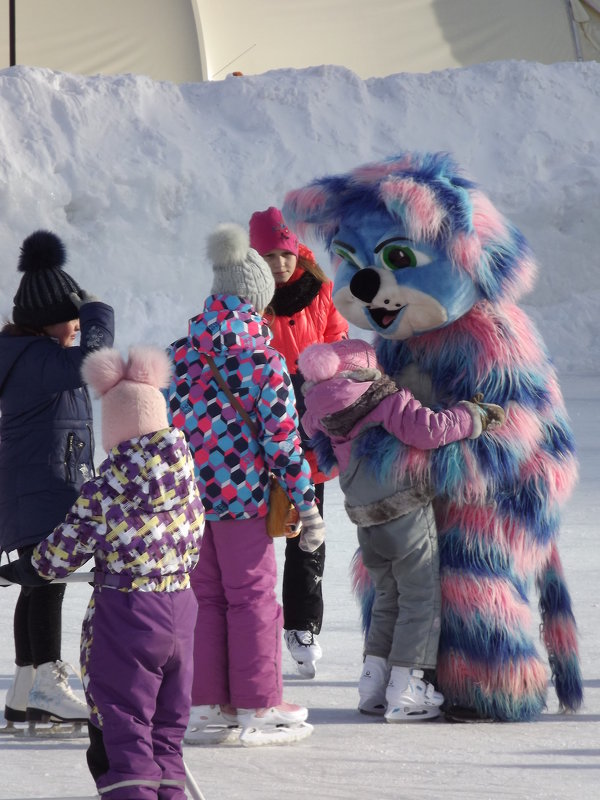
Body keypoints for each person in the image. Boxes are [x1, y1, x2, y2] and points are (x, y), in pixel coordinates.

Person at [0, 345, 205, 799]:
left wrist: (29, 569)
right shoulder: (186, 473)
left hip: (128, 615)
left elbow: (64, 548)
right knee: (165, 733)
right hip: (182, 610)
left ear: (114, 429)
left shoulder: (110, 482)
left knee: (123, 732)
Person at [167, 223, 324, 746]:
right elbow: (283, 444)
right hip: (244, 502)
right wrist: (309, 507)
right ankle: (259, 704)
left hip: (191, 504)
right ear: (257, 301)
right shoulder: (265, 361)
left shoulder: (181, 354)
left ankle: (208, 703)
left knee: (206, 599)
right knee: (254, 598)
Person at [298, 338, 505, 722]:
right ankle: (410, 686)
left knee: (387, 596)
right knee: (419, 598)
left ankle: (373, 683)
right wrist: (473, 415)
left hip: (366, 518)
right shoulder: (385, 399)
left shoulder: (321, 410)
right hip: (404, 508)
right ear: (366, 370)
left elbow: (310, 431)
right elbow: (429, 429)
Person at [0, 230, 114, 731]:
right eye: (69, 317)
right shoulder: (40, 359)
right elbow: (96, 357)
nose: (76, 325)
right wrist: (97, 309)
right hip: (44, 485)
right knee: (46, 582)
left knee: (36, 581)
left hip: (36, 486)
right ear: (50, 321)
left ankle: (26, 691)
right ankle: (48, 678)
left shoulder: (27, 355)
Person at [249, 206, 348, 678]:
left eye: (285, 254)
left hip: (309, 427)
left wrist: (323, 379)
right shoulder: (247, 297)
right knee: (253, 530)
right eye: (269, 256)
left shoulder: (320, 290)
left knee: (309, 527)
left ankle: (302, 624)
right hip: (256, 431)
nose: (280, 264)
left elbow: (339, 342)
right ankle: (250, 626)